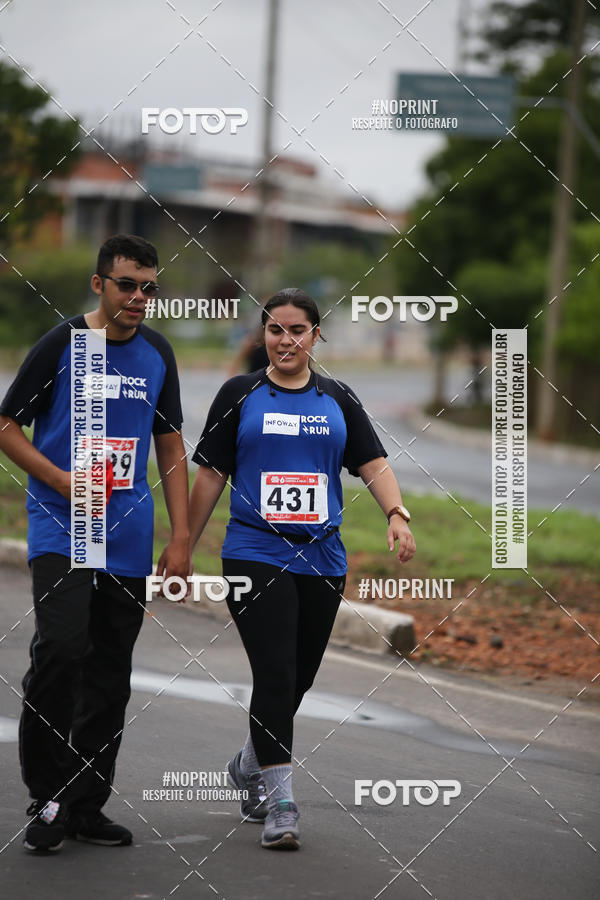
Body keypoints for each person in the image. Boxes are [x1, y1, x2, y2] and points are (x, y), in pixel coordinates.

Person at [189, 287, 415, 850]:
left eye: (297, 330)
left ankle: (248, 763)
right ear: (262, 335)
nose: (285, 340)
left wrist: (397, 513)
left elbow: (373, 462)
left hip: (322, 556)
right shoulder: (239, 394)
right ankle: (281, 802)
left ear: (317, 335)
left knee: (300, 676)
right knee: (275, 671)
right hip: (254, 549)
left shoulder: (338, 397)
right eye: (274, 330)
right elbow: (211, 476)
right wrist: (180, 545)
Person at [0, 234, 189, 851]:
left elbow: (169, 444)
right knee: (61, 646)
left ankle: (83, 805)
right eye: (127, 285)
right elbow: (7, 423)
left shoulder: (158, 354)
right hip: (62, 525)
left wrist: (182, 535)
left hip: (128, 535)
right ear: (98, 284)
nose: (138, 298)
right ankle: (47, 797)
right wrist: (57, 478)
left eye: (149, 288)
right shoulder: (63, 345)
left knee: (109, 670)